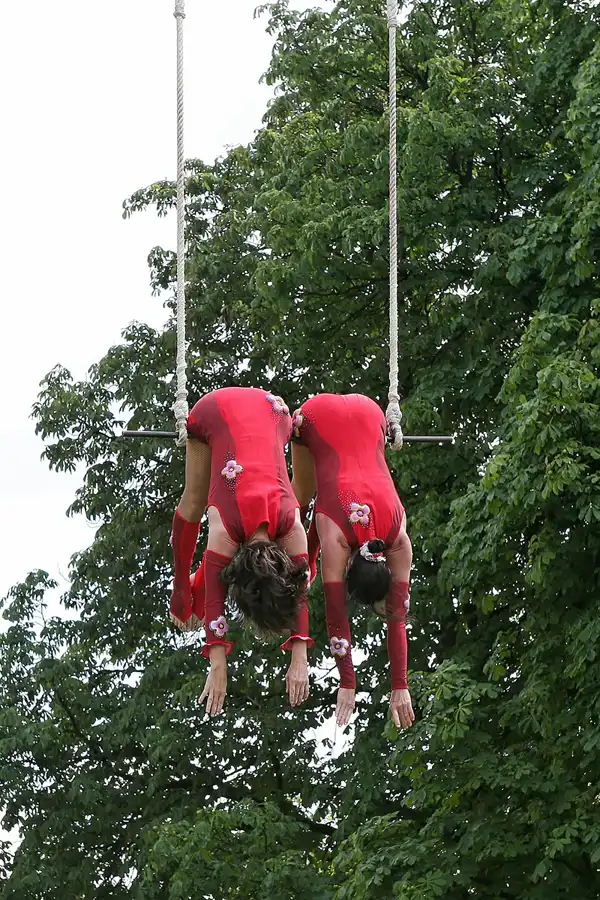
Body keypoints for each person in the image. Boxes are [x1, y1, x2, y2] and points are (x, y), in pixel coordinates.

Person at [170, 387, 314, 717]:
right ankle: (184, 587)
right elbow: (214, 600)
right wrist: (181, 596)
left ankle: (186, 587)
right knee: (193, 502)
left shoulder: (291, 525)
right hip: (216, 409)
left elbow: (301, 587)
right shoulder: (225, 528)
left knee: (199, 578)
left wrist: (300, 656)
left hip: (273, 409)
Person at [290, 393, 415, 730]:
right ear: (348, 568)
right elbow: (336, 618)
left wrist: (400, 685)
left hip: (369, 409)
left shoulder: (398, 538)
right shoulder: (337, 542)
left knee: (322, 505)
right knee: (299, 496)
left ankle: (307, 558)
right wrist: (347, 683)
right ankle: (300, 553)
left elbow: (398, 617)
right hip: (313, 415)